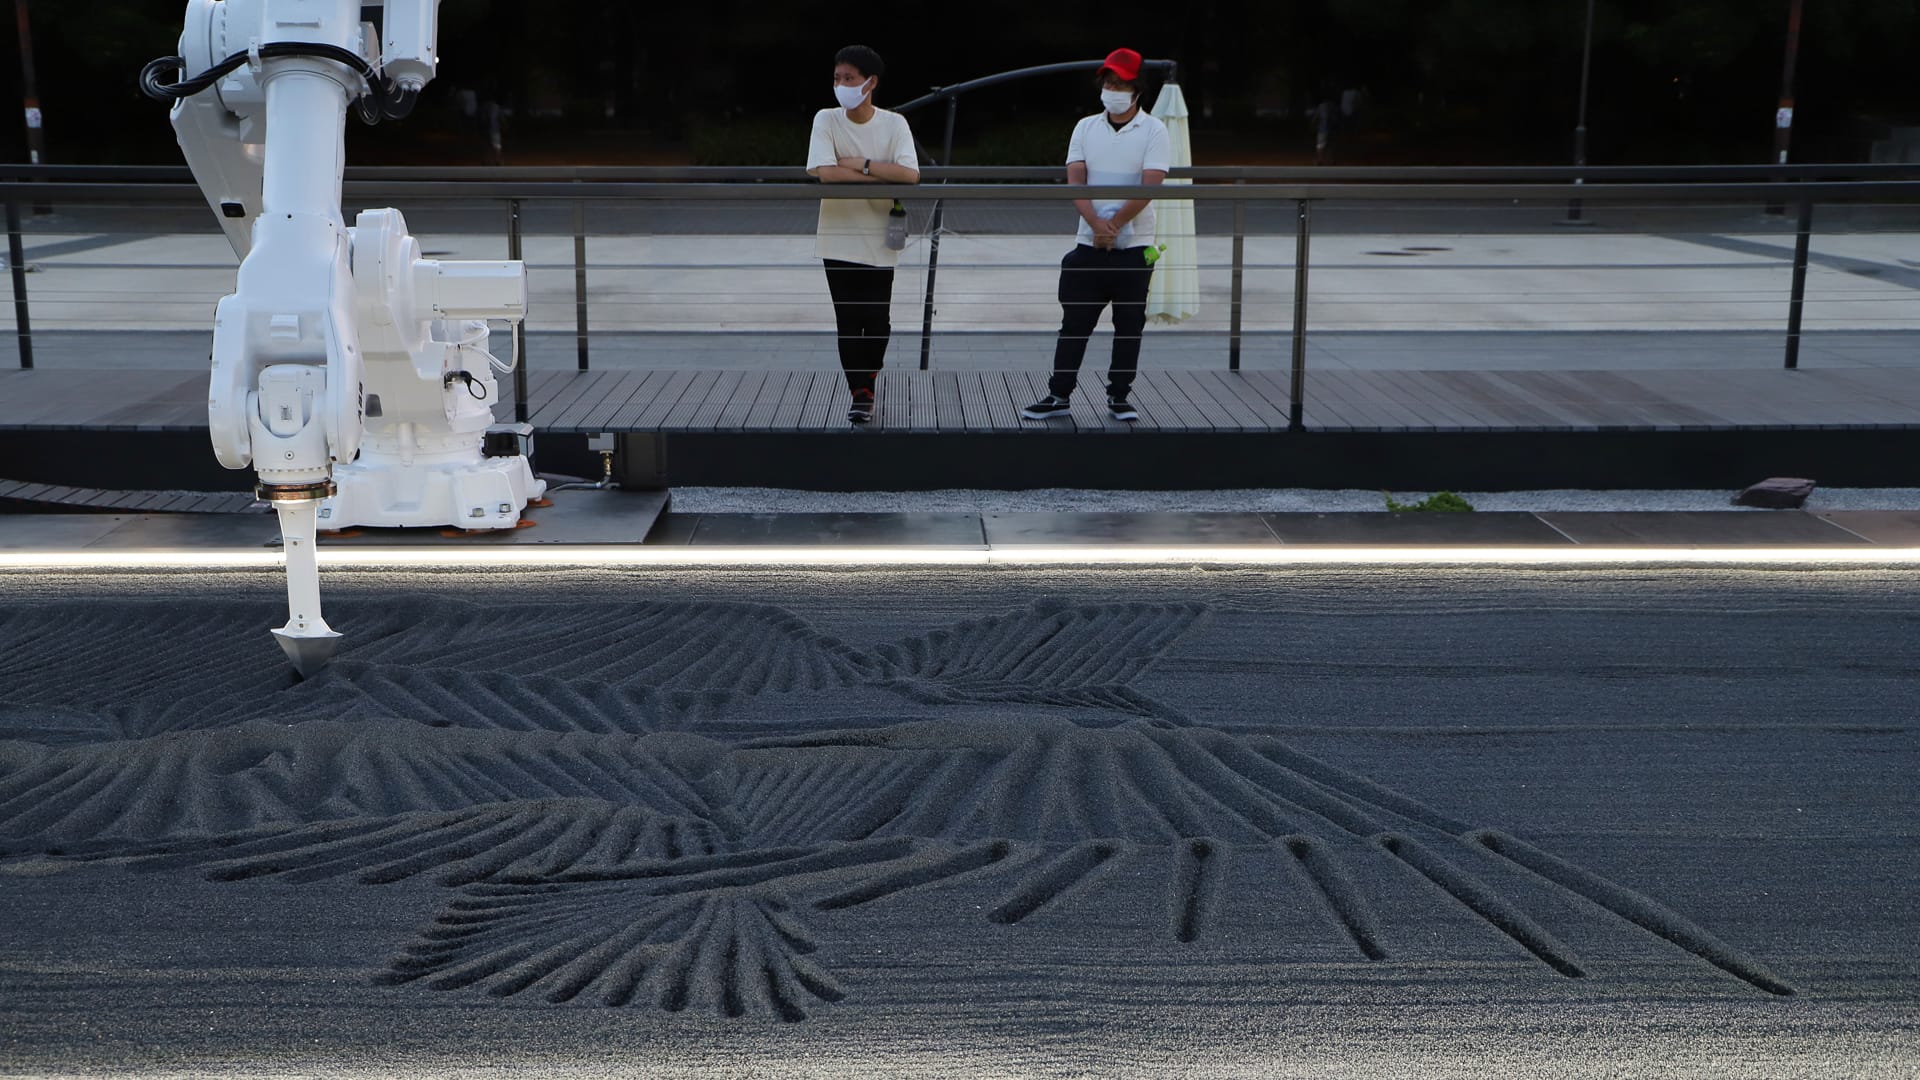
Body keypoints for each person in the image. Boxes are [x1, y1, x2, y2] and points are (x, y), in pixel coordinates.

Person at [1023, 48, 1170, 423]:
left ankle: (1119, 396)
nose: (1112, 89)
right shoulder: (1085, 126)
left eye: (1120, 82)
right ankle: (1059, 394)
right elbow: (1076, 179)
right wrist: (1096, 225)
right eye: (1108, 81)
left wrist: (1116, 225)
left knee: (1129, 327)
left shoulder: (1154, 129)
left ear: (1137, 88)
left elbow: (1150, 184)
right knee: (1074, 324)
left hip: (1135, 246)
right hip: (1088, 244)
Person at [806, 45, 920, 424]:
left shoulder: (894, 124)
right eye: (837, 78)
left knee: (877, 319)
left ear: (870, 83)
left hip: (879, 235)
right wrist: (878, 173)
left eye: (849, 78)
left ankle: (868, 376)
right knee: (848, 318)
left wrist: (861, 164)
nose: (841, 85)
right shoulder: (826, 119)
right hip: (837, 235)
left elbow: (910, 175)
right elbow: (825, 172)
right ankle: (860, 392)